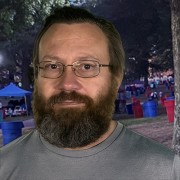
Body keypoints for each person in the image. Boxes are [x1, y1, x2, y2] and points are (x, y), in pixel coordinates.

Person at [0, 6, 177, 180]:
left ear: (115, 78)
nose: (67, 84)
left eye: (87, 66)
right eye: (52, 66)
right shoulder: (4, 168)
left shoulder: (167, 170)